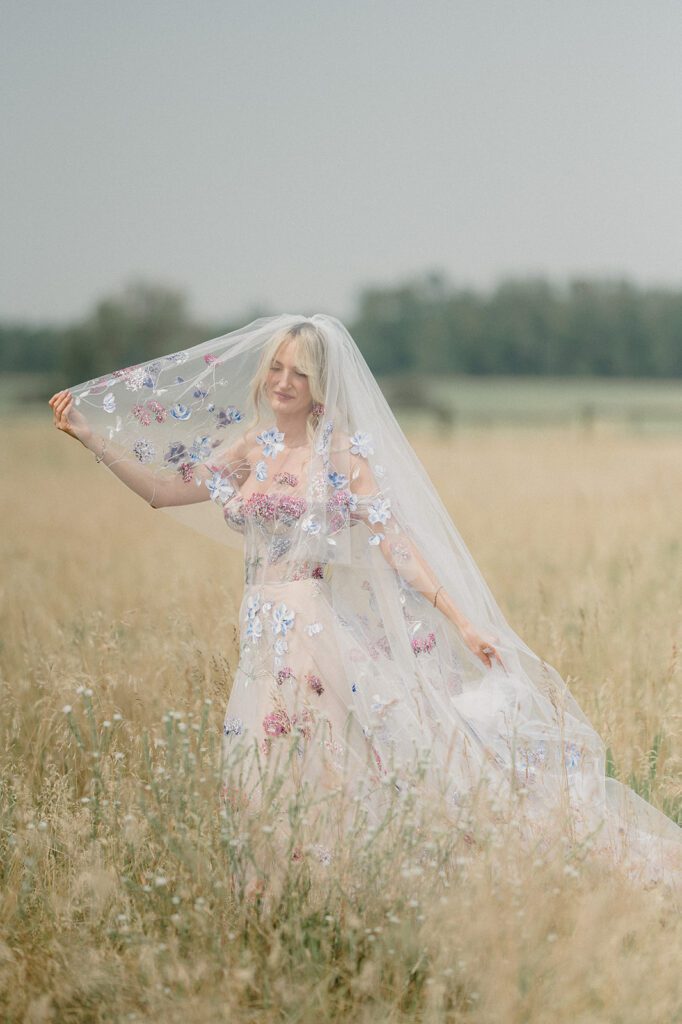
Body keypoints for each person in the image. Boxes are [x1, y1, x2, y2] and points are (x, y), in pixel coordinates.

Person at [49, 313, 682, 890]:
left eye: (300, 372)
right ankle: (279, 891)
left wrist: (463, 621)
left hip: (312, 626)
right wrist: (88, 436)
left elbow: (396, 545)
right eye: (276, 368)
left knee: (330, 756)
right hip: (260, 632)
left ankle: (346, 884)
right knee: (263, 760)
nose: (284, 382)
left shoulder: (343, 458)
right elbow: (163, 491)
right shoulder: (251, 448)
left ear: (321, 384)